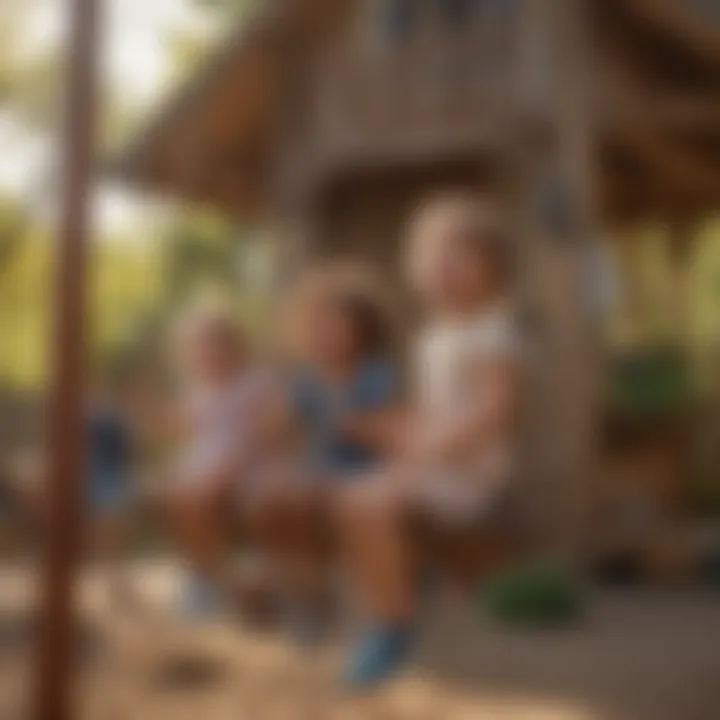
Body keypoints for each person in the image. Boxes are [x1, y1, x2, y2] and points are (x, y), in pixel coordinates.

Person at [339, 194, 521, 687]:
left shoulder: (493, 330)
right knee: (354, 498)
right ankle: (398, 598)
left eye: (459, 254)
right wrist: (390, 427)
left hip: (469, 471)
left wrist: (438, 446)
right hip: (435, 464)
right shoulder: (432, 338)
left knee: (370, 504)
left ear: (492, 267)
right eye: (432, 255)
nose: (443, 265)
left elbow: (496, 408)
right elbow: (434, 411)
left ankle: (394, 625)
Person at [247, 264, 398, 643]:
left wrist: (344, 409)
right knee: (270, 498)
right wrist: (275, 413)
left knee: (301, 497)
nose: (327, 335)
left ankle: (314, 595)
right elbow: (274, 431)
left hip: (365, 471)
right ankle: (299, 588)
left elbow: (379, 431)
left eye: (338, 325)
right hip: (318, 469)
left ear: (363, 330)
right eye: (319, 326)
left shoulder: (376, 374)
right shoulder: (306, 378)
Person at [160, 303, 269, 617]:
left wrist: (228, 468)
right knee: (177, 495)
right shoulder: (198, 390)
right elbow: (184, 427)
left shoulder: (253, 383)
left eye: (212, 343)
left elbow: (258, 436)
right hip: (203, 467)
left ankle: (211, 578)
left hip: (243, 468)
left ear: (234, 346)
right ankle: (202, 575)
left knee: (197, 496)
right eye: (197, 346)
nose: (205, 353)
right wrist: (158, 416)